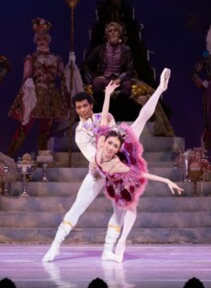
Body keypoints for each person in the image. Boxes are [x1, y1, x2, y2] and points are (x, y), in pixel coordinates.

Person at [42, 68, 172, 262]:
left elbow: (112, 134)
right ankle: (55, 246)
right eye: (78, 108)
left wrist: (117, 155)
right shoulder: (79, 133)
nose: (82, 110)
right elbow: (94, 156)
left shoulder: (106, 119)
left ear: (90, 105)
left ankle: (108, 250)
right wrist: (101, 163)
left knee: (120, 208)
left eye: (84, 106)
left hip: (116, 163)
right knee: (78, 207)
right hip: (99, 169)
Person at [93, 80, 183, 262]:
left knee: (140, 120)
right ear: (105, 141)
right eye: (110, 143)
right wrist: (108, 94)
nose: (110, 147)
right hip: (114, 180)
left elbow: (141, 174)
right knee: (126, 207)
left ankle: (159, 89)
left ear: (118, 148)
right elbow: (103, 117)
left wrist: (167, 181)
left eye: (114, 146)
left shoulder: (118, 161)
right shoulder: (103, 142)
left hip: (124, 167)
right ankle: (115, 244)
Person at [7, 18, 69, 157]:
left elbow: (64, 76)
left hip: (51, 95)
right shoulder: (31, 58)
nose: (42, 41)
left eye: (44, 39)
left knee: (46, 128)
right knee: (25, 125)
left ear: (48, 40)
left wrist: (71, 67)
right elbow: (26, 78)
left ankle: (43, 157)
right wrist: (23, 99)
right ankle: (9, 156)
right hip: (35, 95)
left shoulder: (56, 59)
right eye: (39, 39)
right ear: (36, 40)